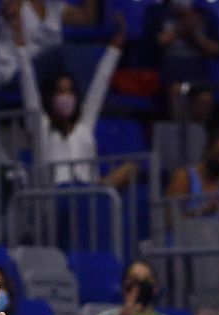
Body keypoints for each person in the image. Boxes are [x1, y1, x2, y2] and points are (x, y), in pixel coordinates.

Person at [14, 15, 133, 187]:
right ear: (51, 97)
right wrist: (19, 41)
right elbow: (28, 81)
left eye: (69, 91)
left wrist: (115, 48)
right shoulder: (40, 125)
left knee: (131, 168)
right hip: (56, 196)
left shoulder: (85, 124)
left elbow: (100, 83)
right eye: (61, 92)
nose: (66, 97)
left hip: (87, 195)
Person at [0, 0, 100, 90]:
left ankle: (90, 100)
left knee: (90, 51)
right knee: (65, 52)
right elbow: (9, 10)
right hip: (16, 73)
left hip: (47, 77)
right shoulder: (15, 4)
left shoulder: (54, 7)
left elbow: (87, 18)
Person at [163, 130, 219, 223]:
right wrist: (204, 210)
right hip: (189, 231)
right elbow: (169, 220)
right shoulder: (184, 177)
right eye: (218, 155)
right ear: (207, 152)